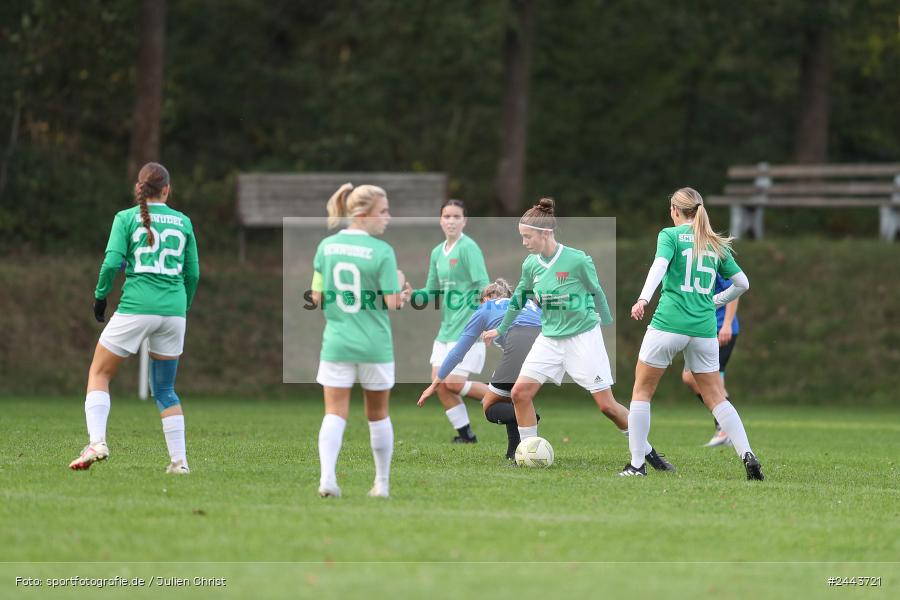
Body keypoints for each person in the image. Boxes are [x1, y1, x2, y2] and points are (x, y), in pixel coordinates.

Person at [483, 198, 674, 472]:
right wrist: (500, 329)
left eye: (528, 236)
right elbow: (518, 299)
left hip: (582, 338)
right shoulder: (531, 265)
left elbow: (596, 291)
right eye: (522, 236)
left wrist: (605, 322)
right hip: (549, 338)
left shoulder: (577, 259)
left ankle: (649, 454)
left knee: (607, 406)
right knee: (520, 393)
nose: (524, 242)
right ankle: (528, 455)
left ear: (545, 233)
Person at [623, 187, 763, 480]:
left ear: (675, 210)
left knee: (642, 392)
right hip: (703, 329)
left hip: (668, 324)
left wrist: (643, 299)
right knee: (716, 398)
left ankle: (637, 465)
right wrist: (715, 301)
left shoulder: (670, 236)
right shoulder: (714, 242)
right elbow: (743, 283)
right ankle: (747, 453)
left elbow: (659, 266)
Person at [69, 162, 200, 474]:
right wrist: (183, 307)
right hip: (173, 312)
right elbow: (193, 272)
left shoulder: (125, 218)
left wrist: (101, 296)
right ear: (167, 189)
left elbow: (112, 262)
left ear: (139, 188)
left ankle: (97, 442)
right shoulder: (183, 221)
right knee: (165, 389)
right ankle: (179, 463)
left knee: (99, 373)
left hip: (136, 307)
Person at [310, 183, 412, 499]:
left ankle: (328, 479)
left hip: (337, 343)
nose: (388, 218)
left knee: (334, 413)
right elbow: (393, 302)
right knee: (378, 415)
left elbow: (315, 297)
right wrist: (402, 289)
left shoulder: (326, 247)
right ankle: (381, 484)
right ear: (364, 215)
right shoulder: (381, 251)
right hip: (374, 346)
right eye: (383, 212)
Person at [417, 278, 543, 462]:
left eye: (480, 299)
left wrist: (435, 384)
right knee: (510, 395)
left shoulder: (485, 308)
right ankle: (513, 453)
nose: (480, 303)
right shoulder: (526, 303)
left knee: (490, 406)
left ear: (489, 297)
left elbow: (457, 352)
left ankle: (528, 419)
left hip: (520, 343)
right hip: (547, 346)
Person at [413, 199, 490, 443]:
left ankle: (511, 399)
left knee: (454, 383)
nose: (451, 221)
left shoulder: (469, 248)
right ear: (440, 220)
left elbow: (484, 286)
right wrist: (410, 294)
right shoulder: (437, 252)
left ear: (464, 221)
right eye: (447, 216)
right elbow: (431, 290)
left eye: (456, 216)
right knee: (440, 385)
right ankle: (466, 435)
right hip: (446, 330)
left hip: (468, 329)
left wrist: (486, 320)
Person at [681, 274, 741, 447]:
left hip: (720, 330)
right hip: (704, 329)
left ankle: (725, 429)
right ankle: (725, 427)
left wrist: (727, 324)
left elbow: (736, 290)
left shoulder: (717, 258)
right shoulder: (693, 258)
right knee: (695, 378)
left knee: (710, 380)